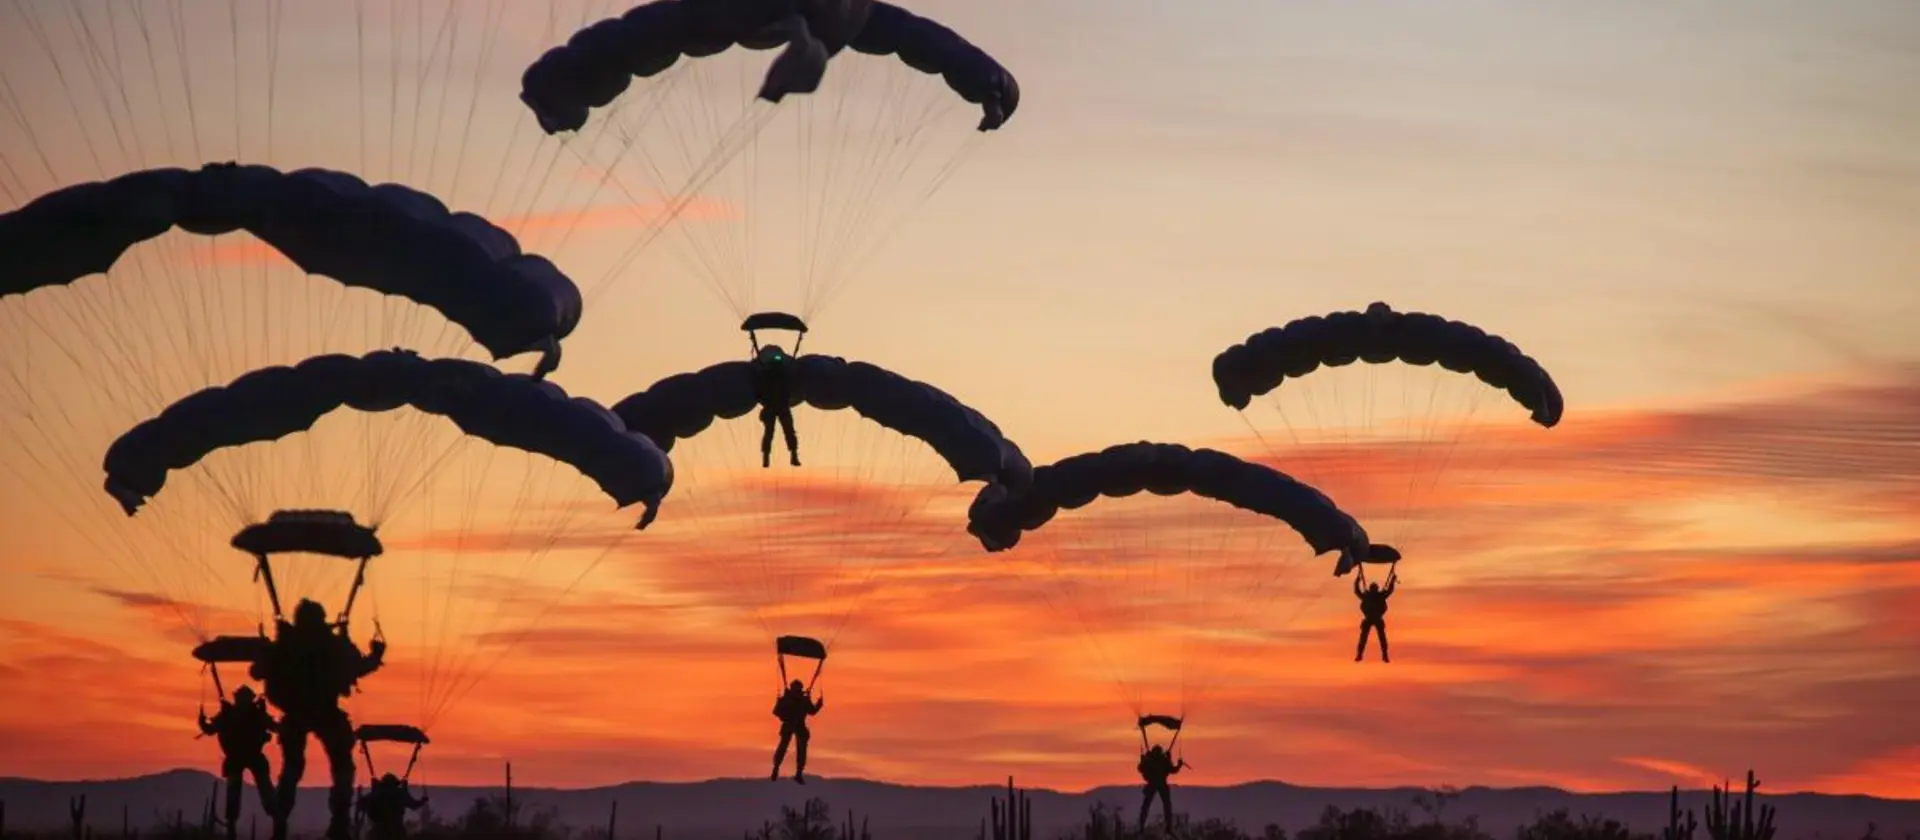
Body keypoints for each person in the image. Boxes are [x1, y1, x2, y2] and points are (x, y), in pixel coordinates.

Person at [250, 599, 386, 840]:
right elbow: (357, 668)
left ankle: (281, 820)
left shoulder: (286, 644)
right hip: (325, 711)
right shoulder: (331, 644)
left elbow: (257, 671)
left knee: (292, 767)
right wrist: (375, 656)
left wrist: (266, 652)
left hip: (296, 713)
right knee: (342, 766)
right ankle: (339, 823)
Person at [198, 685, 278, 840]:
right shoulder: (236, 714)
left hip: (247, 758)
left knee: (263, 791)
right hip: (242, 758)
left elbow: (209, 729)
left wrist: (202, 722)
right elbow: (209, 729)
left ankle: (276, 823)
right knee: (242, 793)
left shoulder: (244, 714)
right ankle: (235, 829)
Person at [752, 344, 801, 468]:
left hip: (776, 406)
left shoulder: (775, 374)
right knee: (782, 431)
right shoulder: (774, 375)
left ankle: (788, 455)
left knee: (777, 432)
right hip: (777, 407)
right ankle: (787, 455)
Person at [770, 679, 824, 784]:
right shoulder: (789, 699)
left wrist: (818, 704)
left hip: (798, 726)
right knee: (783, 747)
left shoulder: (802, 700)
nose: (797, 691)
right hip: (790, 725)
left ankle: (798, 773)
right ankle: (777, 767)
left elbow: (812, 711)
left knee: (801, 750)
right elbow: (776, 712)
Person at [357, 773, 429, 840]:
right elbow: (414, 805)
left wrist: (359, 794)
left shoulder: (377, 793)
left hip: (379, 830)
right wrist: (423, 800)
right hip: (396, 831)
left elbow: (362, 804)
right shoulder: (400, 793)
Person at [1136, 744, 1186, 832]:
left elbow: (1140, 769)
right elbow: (1173, 770)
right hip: (1161, 785)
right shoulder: (1163, 760)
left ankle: (1141, 826)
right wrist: (1179, 764)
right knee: (1166, 806)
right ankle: (1168, 827)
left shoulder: (1150, 760)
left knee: (1146, 806)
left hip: (1152, 785)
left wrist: (1143, 760)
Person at [1354, 570, 1396, 663]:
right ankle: (1360, 654)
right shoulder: (1370, 596)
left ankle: (1384, 654)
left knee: (1381, 637)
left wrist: (1392, 580)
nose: (1373, 590)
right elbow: (1357, 592)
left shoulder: (1377, 596)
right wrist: (1357, 582)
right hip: (1370, 618)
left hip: (1376, 618)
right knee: (1364, 637)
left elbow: (1389, 590)